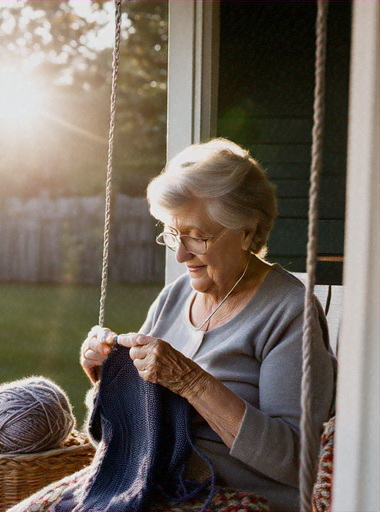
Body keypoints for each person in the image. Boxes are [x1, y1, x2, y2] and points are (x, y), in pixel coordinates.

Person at [80, 138, 336, 511]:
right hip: (153, 481)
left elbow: (297, 461)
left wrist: (190, 382)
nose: (181, 254)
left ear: (247, 231)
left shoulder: (289, 312)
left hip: (234, 498)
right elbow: (136, 429)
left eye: (197, 237)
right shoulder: (175, 296)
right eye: (172, 233)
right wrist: (106, 378)